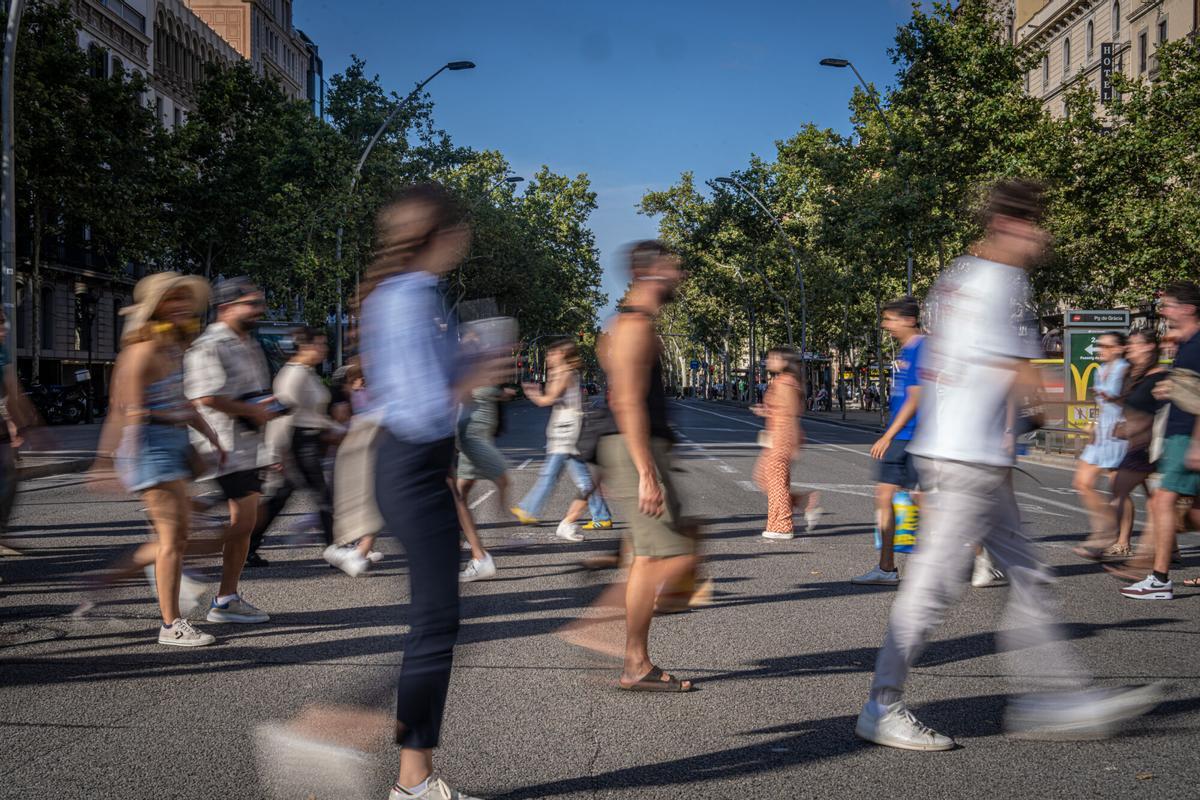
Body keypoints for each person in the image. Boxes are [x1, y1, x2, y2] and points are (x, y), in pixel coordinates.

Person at [855, 179, 1160, 751]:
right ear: (1009, 225)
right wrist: (1060, 415)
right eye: (1035, 225)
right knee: (933, 589)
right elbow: (1016, 368)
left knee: (1029, 577)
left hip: (970, 454)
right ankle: (883, 705)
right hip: (966, 457)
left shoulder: (957, 275)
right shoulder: (1001, 279)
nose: (1041, 238)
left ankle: (1055, 698)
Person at [585, 240, 698, 692]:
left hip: (639, 449)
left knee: (659, 553)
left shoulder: (627, 326)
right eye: (674, 268)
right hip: (636, 451)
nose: (680, 276)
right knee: (666, 556)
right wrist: (647, 473)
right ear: (650, 274)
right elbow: (626, 401)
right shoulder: (633, 328)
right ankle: (625, 653)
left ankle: (629, 652)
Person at [101, 273, 225, 646]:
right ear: (156, 307)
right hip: (150, 448)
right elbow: (125, 411)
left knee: (180, 536)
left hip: (173, 444)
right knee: (172, 539)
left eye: (185, 299)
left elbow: (180, 399)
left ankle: (112, 579)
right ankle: (171, 624)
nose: (183, 305)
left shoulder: (172, 347)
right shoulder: (140, 352)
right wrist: (106, 462)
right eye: (173, 299)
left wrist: (209, 433)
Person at [184, 276, 275, 625]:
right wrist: (252, 409)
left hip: (248, 446)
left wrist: (266, 405)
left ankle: (225, 598)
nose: (258, 309)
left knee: (248, 521)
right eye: (251, 303)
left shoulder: (248, 342)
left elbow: (249, 392)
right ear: (226, 307)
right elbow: (204, 396)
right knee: (248, 520)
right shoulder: (210, 345)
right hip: (223, 445)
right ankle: (175, 561)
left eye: (260, 302)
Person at [1120, 283, 1200, 599]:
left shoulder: (1196, 346)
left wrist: (1197, 443)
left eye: (1168, 305)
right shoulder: (1186, 344)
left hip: (1188, 436)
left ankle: (1159, 579)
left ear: (1187, 309)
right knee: (1190, 512)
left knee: (1161, 501)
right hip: (1179, 434)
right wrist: (1171, 389)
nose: (1163, 311)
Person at [247, 326, 337, 567]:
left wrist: (332, 427)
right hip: (298, 443)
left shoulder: (307, 372)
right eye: (319, 344)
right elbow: (281, 416)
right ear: (304, 347)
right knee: (322, 496)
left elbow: (314, 412)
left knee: (281, 497)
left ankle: (249, 545)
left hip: (307, 441)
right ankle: (334, 549)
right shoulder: (293, 375)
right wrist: (273, 453)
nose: (324, 349)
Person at [511, 338, 614, 541]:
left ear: (562, 355)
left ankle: (529, 509)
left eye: (552, 354)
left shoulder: (566, 374)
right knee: (582, 478)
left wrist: (532, 392)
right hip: (564, 429)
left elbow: (548, 399)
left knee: (549, 474)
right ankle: (601, 516)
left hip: (567, 431)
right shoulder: (564, 373)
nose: (549, 357)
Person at [853, 297, 925, 585]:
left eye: (890, 319)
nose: (886, 325)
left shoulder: (923, 348)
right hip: (903, 436)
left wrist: (888, 435)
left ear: (909, 320)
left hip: (917, 436)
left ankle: (977, 552)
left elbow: (916, 398)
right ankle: (886, 568)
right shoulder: (906, 350)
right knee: (884, 496)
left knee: (929, 503)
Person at [1103, 331, 1166, 560]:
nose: (1129, 348)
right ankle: (1165, 551)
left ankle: (1136, 553)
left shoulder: (1161, 376)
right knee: (1156, 501)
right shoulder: (1135, 374)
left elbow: (1160, 411)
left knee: (1126, 492)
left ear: (1149, 346)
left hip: (1152, 446)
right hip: (1137, 445)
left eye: (1135, 344)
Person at [1072, 331, 1131, 560]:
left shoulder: (1125, 369)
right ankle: (1105, 529)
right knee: (1082, 482)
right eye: (1099, 346)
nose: (1100, 350)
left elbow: (1132, 400)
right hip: (1101, 432)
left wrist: (1110, 397)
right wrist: (1094, 425)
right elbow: (1102, 404)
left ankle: (1121, 540)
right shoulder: (1099, 370)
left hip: (1119, 432)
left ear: (1119, 348)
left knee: (1120, 490)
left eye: (1106, 346)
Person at [752, 348, 820, 540]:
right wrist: (766, 411)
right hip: (775, 434)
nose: (769, 361)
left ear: (784, 361)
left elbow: (791, 414)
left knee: (776, 481)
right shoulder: (782, 380)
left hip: (783, 436)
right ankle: (803, 501)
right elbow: (782, 409)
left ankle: (783, 526)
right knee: (763, 478)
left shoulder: (787, 382)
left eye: (773, 358)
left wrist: (793, 443)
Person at [456, 383, 516, 582]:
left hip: (476, 436)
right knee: (461, 494)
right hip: (472, 437)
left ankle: (478, 551)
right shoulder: (473, 372)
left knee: (461, 493)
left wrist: (501, 393)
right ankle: (480, 553)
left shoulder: (477, 372)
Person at [0, 306, 39, 558]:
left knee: (9, 476)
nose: (3, 328)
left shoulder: (2, 351)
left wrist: (16, 422)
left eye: (3, 323)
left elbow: (10, 389)